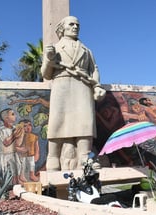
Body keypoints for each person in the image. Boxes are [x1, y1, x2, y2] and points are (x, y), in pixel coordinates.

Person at [41, 15, 106, 170]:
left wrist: (97, 86)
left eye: (77, 25)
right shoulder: (54, 48)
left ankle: (85, 156)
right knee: (58, 121)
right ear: (62, 28)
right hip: (61, 85)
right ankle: (53, 158)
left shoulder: (87, 50)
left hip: (83, 86)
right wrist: (49, 58)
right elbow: (46, 74)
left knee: (85, 121)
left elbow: (94, 70)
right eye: (71, 24)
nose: (75, 27)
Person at [0, 108, 23, 185]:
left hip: (13, 153)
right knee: (4, 171)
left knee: (17, 169)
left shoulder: (15, 128)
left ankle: (15, 187)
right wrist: (15, 134)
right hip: (3, 155)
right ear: (6, 118)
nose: (15, 116)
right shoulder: (0, 130)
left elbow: (18, 143)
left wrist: (20, 134)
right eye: (12, 114)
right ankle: (4, 190)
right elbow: (6, 143)